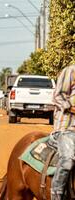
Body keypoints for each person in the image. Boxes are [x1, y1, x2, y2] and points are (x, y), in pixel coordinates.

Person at [50, 64, 75, 200]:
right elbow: (57, 96)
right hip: (67, 127)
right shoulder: (71, 71)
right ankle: (56, 194)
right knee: (68, 160)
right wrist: (71, 108)